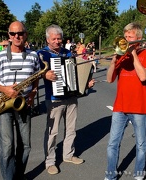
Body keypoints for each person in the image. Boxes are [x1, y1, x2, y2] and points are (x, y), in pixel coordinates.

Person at [37, 24, 95, 175]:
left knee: (71, 129)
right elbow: (34, 74)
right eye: (54, 39)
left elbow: (76, 72)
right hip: (54, 98)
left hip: (71, 97)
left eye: (59, 38)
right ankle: (50, 162)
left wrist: (85, 83)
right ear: (47, 39)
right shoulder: (42, 54)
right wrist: (44, 75)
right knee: (52, 132)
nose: (57, 41)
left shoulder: (67, 53)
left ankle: (68, 155)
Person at [0, 21, 40, 180]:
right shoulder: (0, 56)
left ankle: (18, 175)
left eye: (20, 33)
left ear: (26, 35)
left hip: (24, 104)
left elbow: (37, 75)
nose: (17, 36)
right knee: (7, 146)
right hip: (4, 105)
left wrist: (33, 93)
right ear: (8, 36)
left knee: (25, 146)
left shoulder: (33, 55)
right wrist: (5, 90)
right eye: (13, 34)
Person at [104, 22, 146, 180]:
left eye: (129, 36)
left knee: (140, 144)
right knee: (113, 143)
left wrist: (133, 54)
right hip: (120, 106)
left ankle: (139, 173)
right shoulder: (121, 56)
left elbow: (143, 76)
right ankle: (110, 175)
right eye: (125, 36)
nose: (125, 39)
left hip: (139, 107)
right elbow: (109, 79)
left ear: (138, 39)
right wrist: (113, 61)